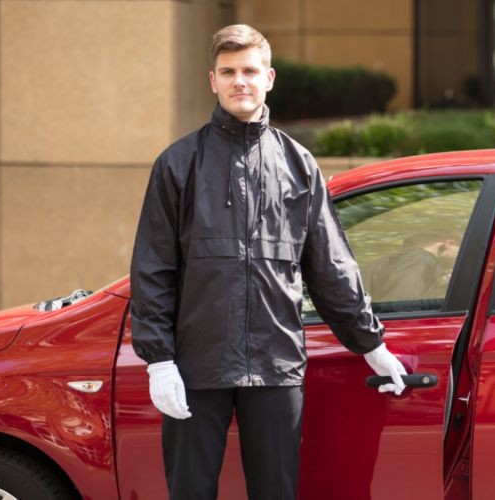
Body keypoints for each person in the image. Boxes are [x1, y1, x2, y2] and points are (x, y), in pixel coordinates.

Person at [129, 24, 408, 500]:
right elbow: (153, 270)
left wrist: (370, 343)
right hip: (197, 366)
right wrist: (160, 361)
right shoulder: (177, 164)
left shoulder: (299, 165)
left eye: (250, 71)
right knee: (190, 491)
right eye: (229, 71)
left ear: (270, 78)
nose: (240, 81)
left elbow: (330, 265)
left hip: (277, 366)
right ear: (212, 80)